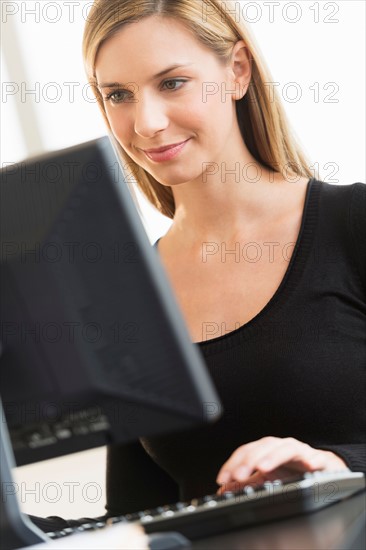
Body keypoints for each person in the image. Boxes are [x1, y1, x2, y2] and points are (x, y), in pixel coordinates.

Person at [31, 0, 366, 531]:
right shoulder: (126, 292)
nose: (146, 122)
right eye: (118, 94)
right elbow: (140, 519)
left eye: (172, 83)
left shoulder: (353, 225)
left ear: (237, 71)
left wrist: (341, 466)